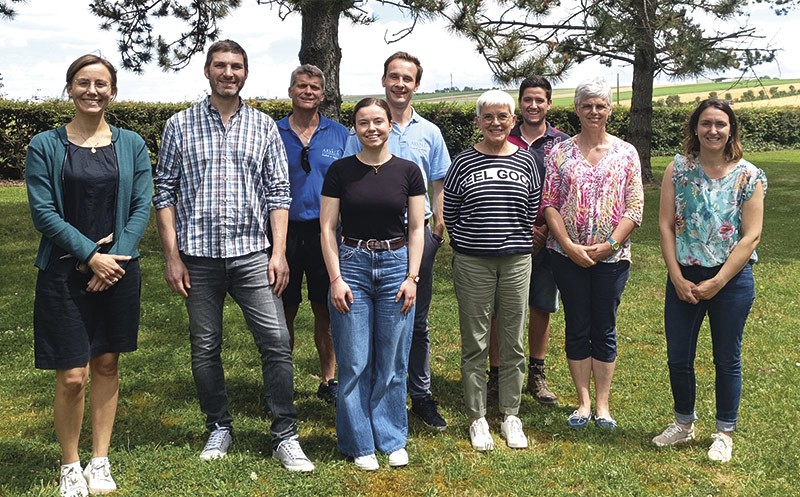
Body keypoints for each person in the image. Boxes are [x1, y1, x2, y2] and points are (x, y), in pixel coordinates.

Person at [153, 40, 314, 472]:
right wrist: (172, 256)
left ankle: (285, 434)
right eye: (221, 65)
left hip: (251, 255)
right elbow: (164, 193)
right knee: (205, 347)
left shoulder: (262, 127)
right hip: (198, 257)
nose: (229, 72)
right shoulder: (179, 125)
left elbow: (279, 192)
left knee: (277, 342)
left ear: (245, 73)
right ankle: (219, 425)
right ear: (206, 71)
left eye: (236, 66)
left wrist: (278, 252)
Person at [25, 54, 152, 496]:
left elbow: (141, 205)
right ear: (70, 88)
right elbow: (42, 212)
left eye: (101, 83)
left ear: (112, 91)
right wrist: (87, 255)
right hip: (63, 273)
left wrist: (114, 259)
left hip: (118, 271)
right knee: (72, 374)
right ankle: (70, 464)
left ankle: (100, 460)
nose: (92, 91)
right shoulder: (45, 144)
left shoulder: (132, 144)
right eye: (83, 83)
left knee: (106, 362)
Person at [653, 99, 766, 463]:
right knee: (678, 357)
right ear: (695, 128)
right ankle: (684, 423)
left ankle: (723, 432)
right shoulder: (679, 169)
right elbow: (666, 225)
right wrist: (676, 276)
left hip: (730, 281)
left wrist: (718, 281)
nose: (713, 130)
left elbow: (751, 236)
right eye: (706, 123)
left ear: (731, 128)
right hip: (684, 277)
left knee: (727, 358)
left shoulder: (749, 175)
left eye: (720, 124)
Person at [344, 51, 450, 431]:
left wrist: (437, 229)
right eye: (394, 76)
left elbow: (439, 182)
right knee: (369, 321)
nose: (400, 84)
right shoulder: (359, 129)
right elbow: (344, 184)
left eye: (408, 78)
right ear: (384, 80)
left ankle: (419, 395)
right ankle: (371, 393)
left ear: (416, 85)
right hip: (367, 243)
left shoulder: (430, 133)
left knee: (415, 320)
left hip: (417, 237)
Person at [321, 98, 425, 470]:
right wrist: (335, 278)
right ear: (356, 128)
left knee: (394, 360)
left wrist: (412, 277)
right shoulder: (340, 171)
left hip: (397, 265)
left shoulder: (409, 171)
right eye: (363, 123)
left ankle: (392, 437)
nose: (372, 128)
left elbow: (417, 228)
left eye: (378, 121)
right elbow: (327, 228)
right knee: (354, 360)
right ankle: (359, 442)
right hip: (352, 265)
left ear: (388, 125)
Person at [541, 78, 644, 430]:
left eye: (601, 105)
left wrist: (611, 245)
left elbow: (635, 206)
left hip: (612, 259)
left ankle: (603, 405)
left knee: (605, 326)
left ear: (610, 110)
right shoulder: (559, 153)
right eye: (587, 106)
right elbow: (549, 204)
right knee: (577, 324)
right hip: (565, 255)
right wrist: (568, 246)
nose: (594, 111)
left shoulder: (626, 153)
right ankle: (582, 403)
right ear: (577, 110)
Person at [444, 90, 541, 451]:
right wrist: (473, 242)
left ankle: (511, 414)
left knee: (514, 339)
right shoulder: (463, 162)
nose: (496, 123)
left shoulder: (528, 161)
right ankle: (478, 416)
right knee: (476, 341)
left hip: (516, 261)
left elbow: (531, 208)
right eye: (489, 117)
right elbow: (451, 211)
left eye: (503, 116)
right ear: (478, 122)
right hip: (473, 262)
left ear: (513, 120)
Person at [487, 75, 569, 406]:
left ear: (549, 104)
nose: (533, 105)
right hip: (506, 237)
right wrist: (522, 230)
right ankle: (496, 375)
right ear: (519, 103)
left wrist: (547, 229)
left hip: (547, 238)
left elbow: (566, 190)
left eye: (540, 100)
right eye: (527, 99)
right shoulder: (502, 135)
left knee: (541, 305)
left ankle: (536, 373)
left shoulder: (562, 143)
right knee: (498, 309)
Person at [277, 64, 348, 405]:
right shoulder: (272, 132)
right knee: (284, 309)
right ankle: (282, 381)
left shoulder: (340, 135)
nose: (308, 92)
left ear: (323, 94)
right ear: (290, 91)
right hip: (283, 234)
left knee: (327, 308)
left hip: (326, 234)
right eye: (301, 86)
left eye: (315, 88)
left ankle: (329, 380)